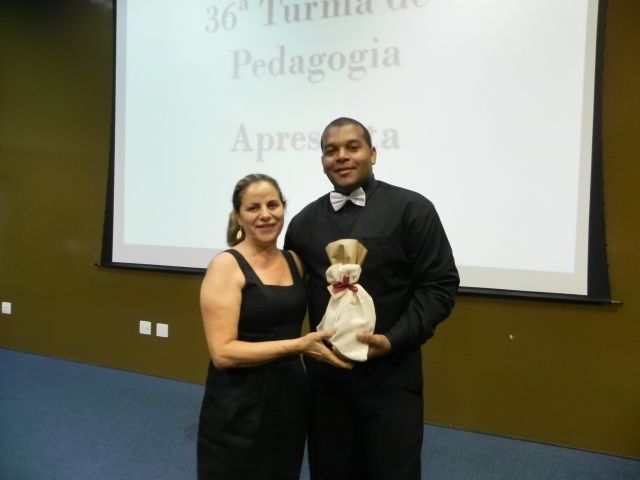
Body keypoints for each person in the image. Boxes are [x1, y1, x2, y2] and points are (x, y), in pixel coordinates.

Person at [284, 117, 460, 480]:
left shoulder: (413, 210)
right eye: (331, 150)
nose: (342, 156)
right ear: (322, 161)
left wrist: (393, 340)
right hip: (326, 385)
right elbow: (289, 294)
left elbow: (439, 285)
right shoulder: (301, 225)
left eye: (353, 147)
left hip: (391, 378)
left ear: (373, 154)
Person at [197, 173, 351, 480]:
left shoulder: (295, 261)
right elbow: (223, 354)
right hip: (238, 404)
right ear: (238, 217)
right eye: (253, 208)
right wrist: (298, 345)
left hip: (289, 397)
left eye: (272, 205)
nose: (265, 215)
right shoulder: (226, 265)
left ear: (283, 208)